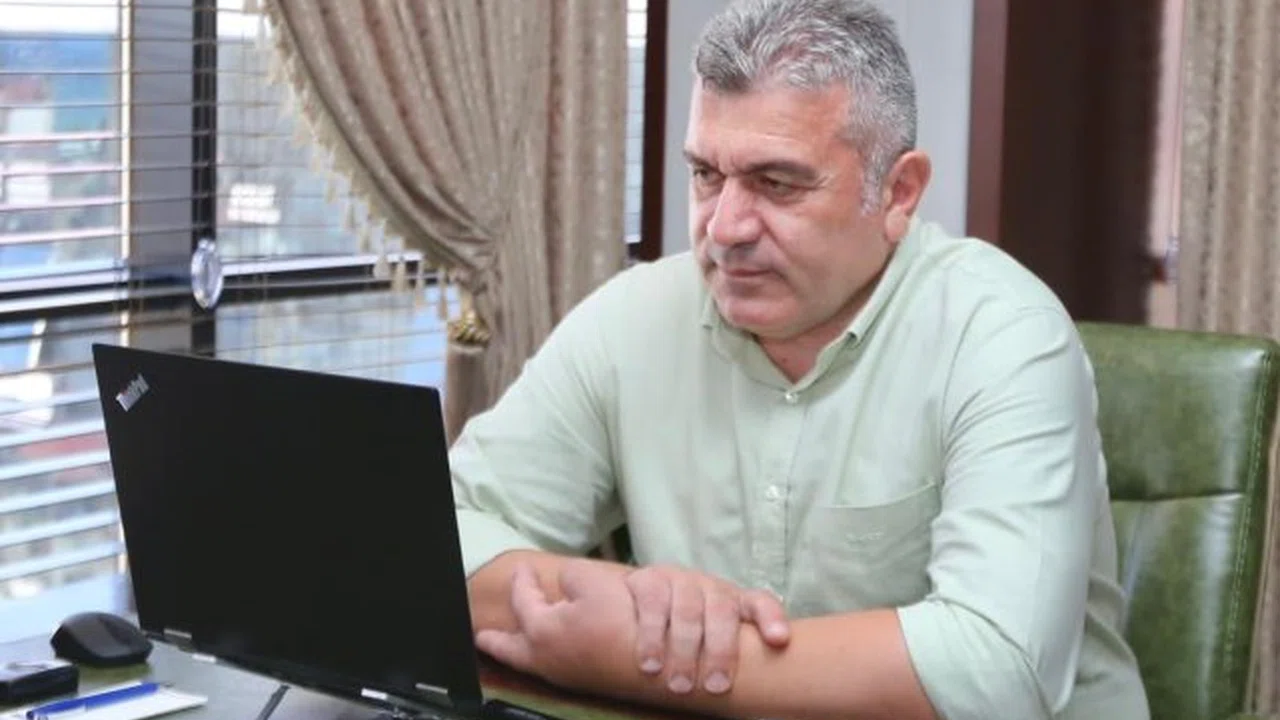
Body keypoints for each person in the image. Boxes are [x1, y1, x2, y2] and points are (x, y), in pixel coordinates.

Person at [448, 0, 1151, 718]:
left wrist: (641, 654)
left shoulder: (1002, 333)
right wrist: (606, 596)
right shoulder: (634, 317)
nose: (724, 228)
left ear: (898, 193)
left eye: (777, 183)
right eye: (706, 175)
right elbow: (437, 537)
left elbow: (996, 672)